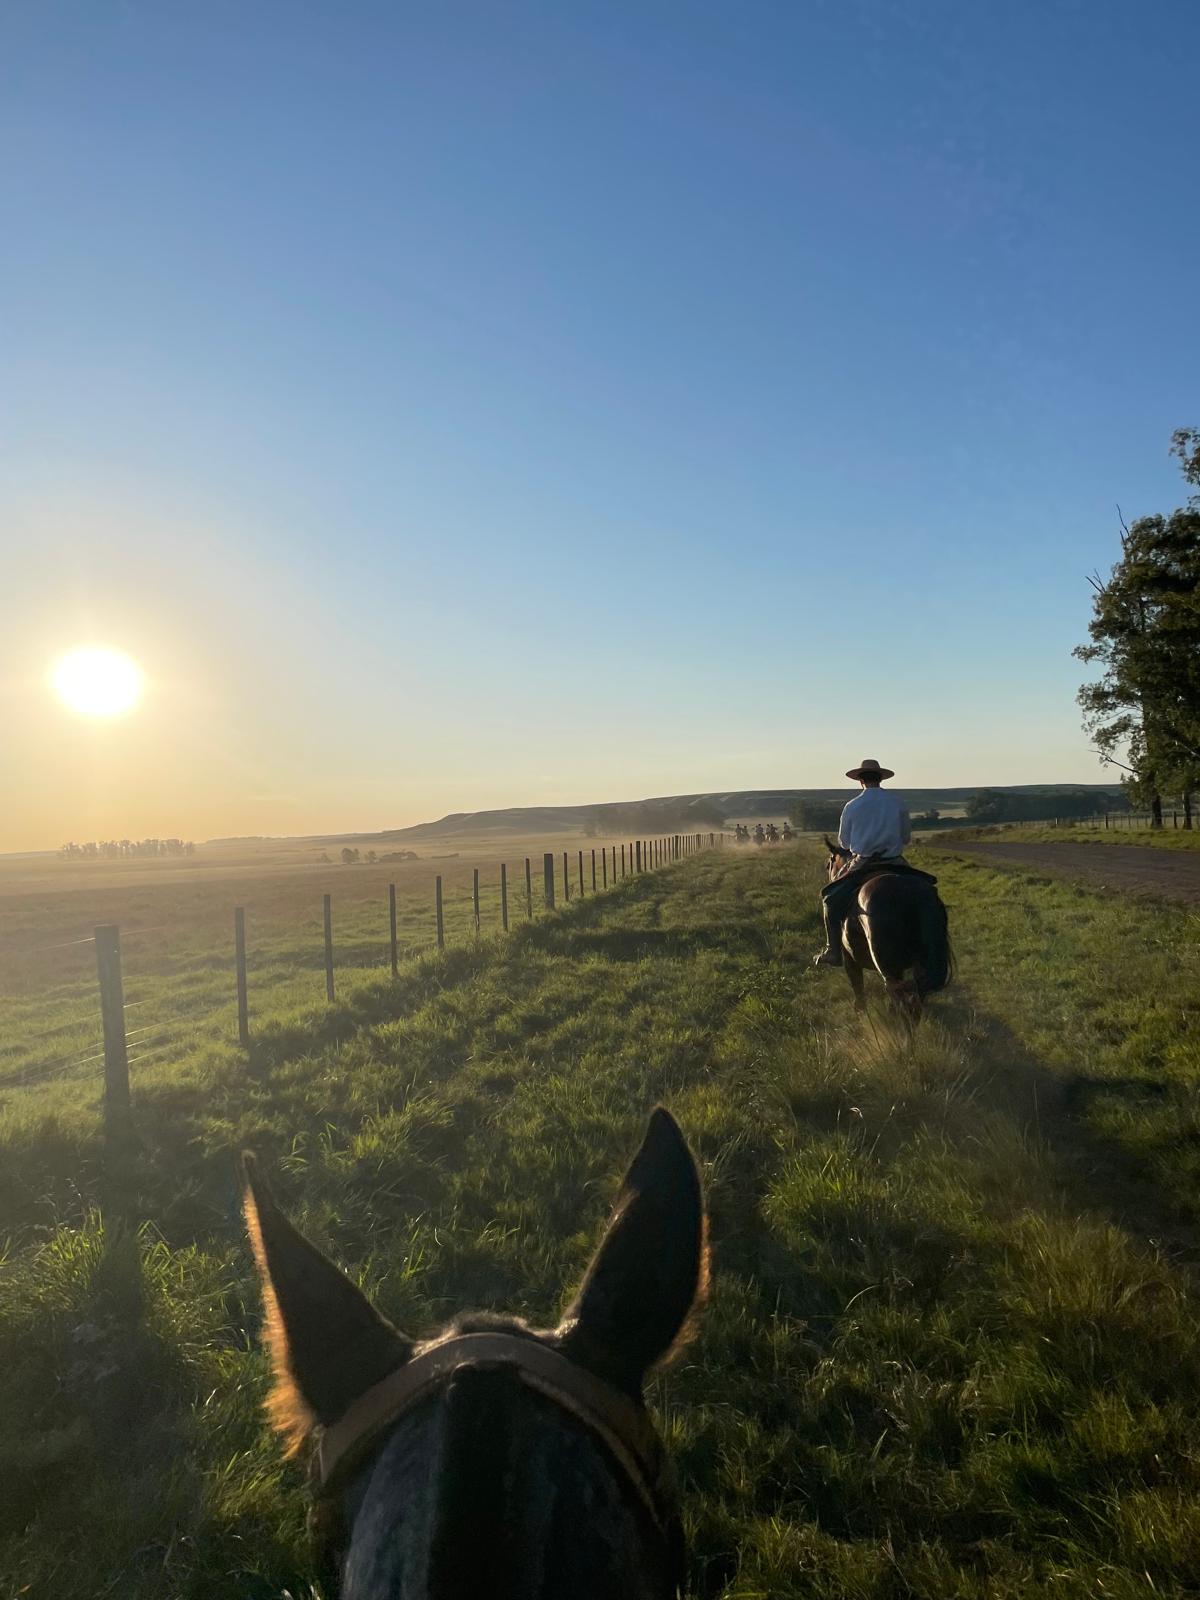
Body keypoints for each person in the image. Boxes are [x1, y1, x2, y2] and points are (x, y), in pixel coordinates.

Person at [813, 759, 914, 967]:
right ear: (880, 778)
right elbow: (905, 837)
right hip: (894, 860)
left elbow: (844, 842)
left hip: (863, 862)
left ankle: (833, 950)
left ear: (860, 781)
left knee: (830, 899)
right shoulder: (897, 802)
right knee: (923, 888)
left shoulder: (852, 806)